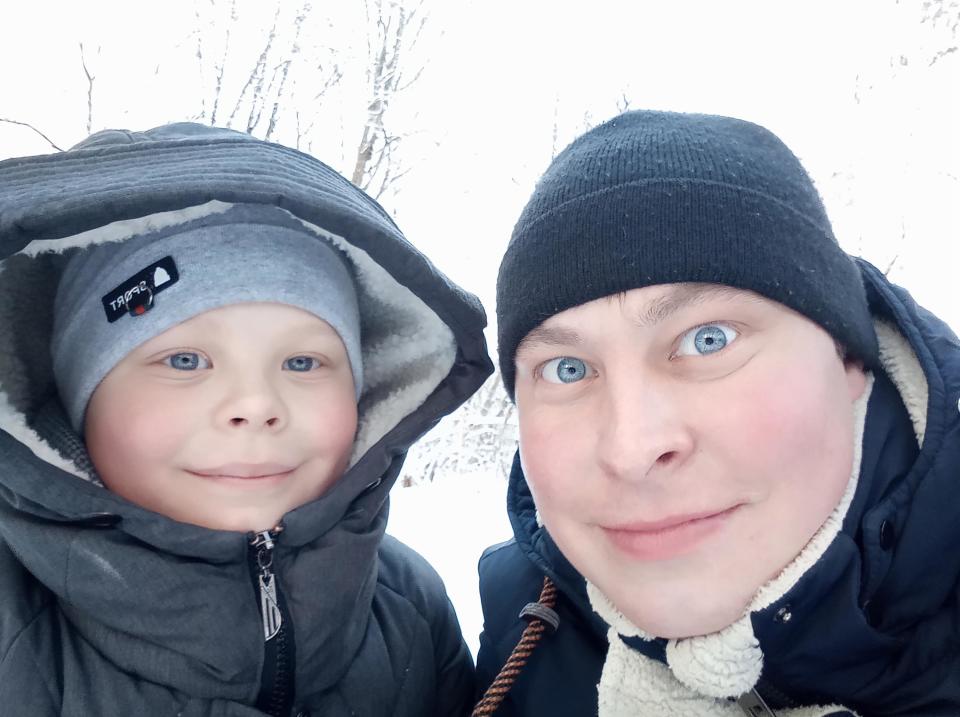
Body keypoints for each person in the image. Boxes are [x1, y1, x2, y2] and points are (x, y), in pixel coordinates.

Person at [474, 110, 960, 716]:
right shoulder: (522, 633)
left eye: (709, 339)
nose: (631, 448)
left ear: (849, 360)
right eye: (567, 369)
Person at [0, 123, 493, 716]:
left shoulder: (410, 604)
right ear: (80, 401)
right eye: (185, 360)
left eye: (303, 361)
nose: (256, 405)